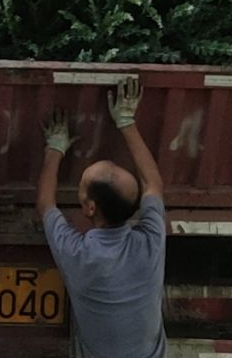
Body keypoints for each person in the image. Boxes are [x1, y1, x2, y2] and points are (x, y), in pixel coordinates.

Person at [36, 78, 167, 358]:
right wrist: (126, 121)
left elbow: (45, 203)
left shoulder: (80, 255)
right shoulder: (150, 244)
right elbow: (153, 183)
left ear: (90, 208)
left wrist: (55, 147)